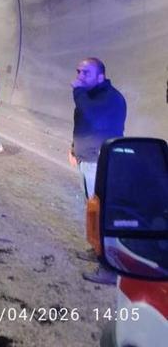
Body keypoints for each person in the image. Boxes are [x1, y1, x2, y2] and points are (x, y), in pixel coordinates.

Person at [68, 57, 126, 285]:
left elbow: (92, 117)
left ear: (101, 77)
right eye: (79, 72)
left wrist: (78, 91)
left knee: (102, 215)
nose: (79, 77)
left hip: (100, 163)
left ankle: (109, 268)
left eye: (86, 73)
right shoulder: (91, 96)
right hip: (87, 159)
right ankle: (96, 248)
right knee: (92, 211)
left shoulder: (110, 98)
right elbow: (82, 124)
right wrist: (74, 148)